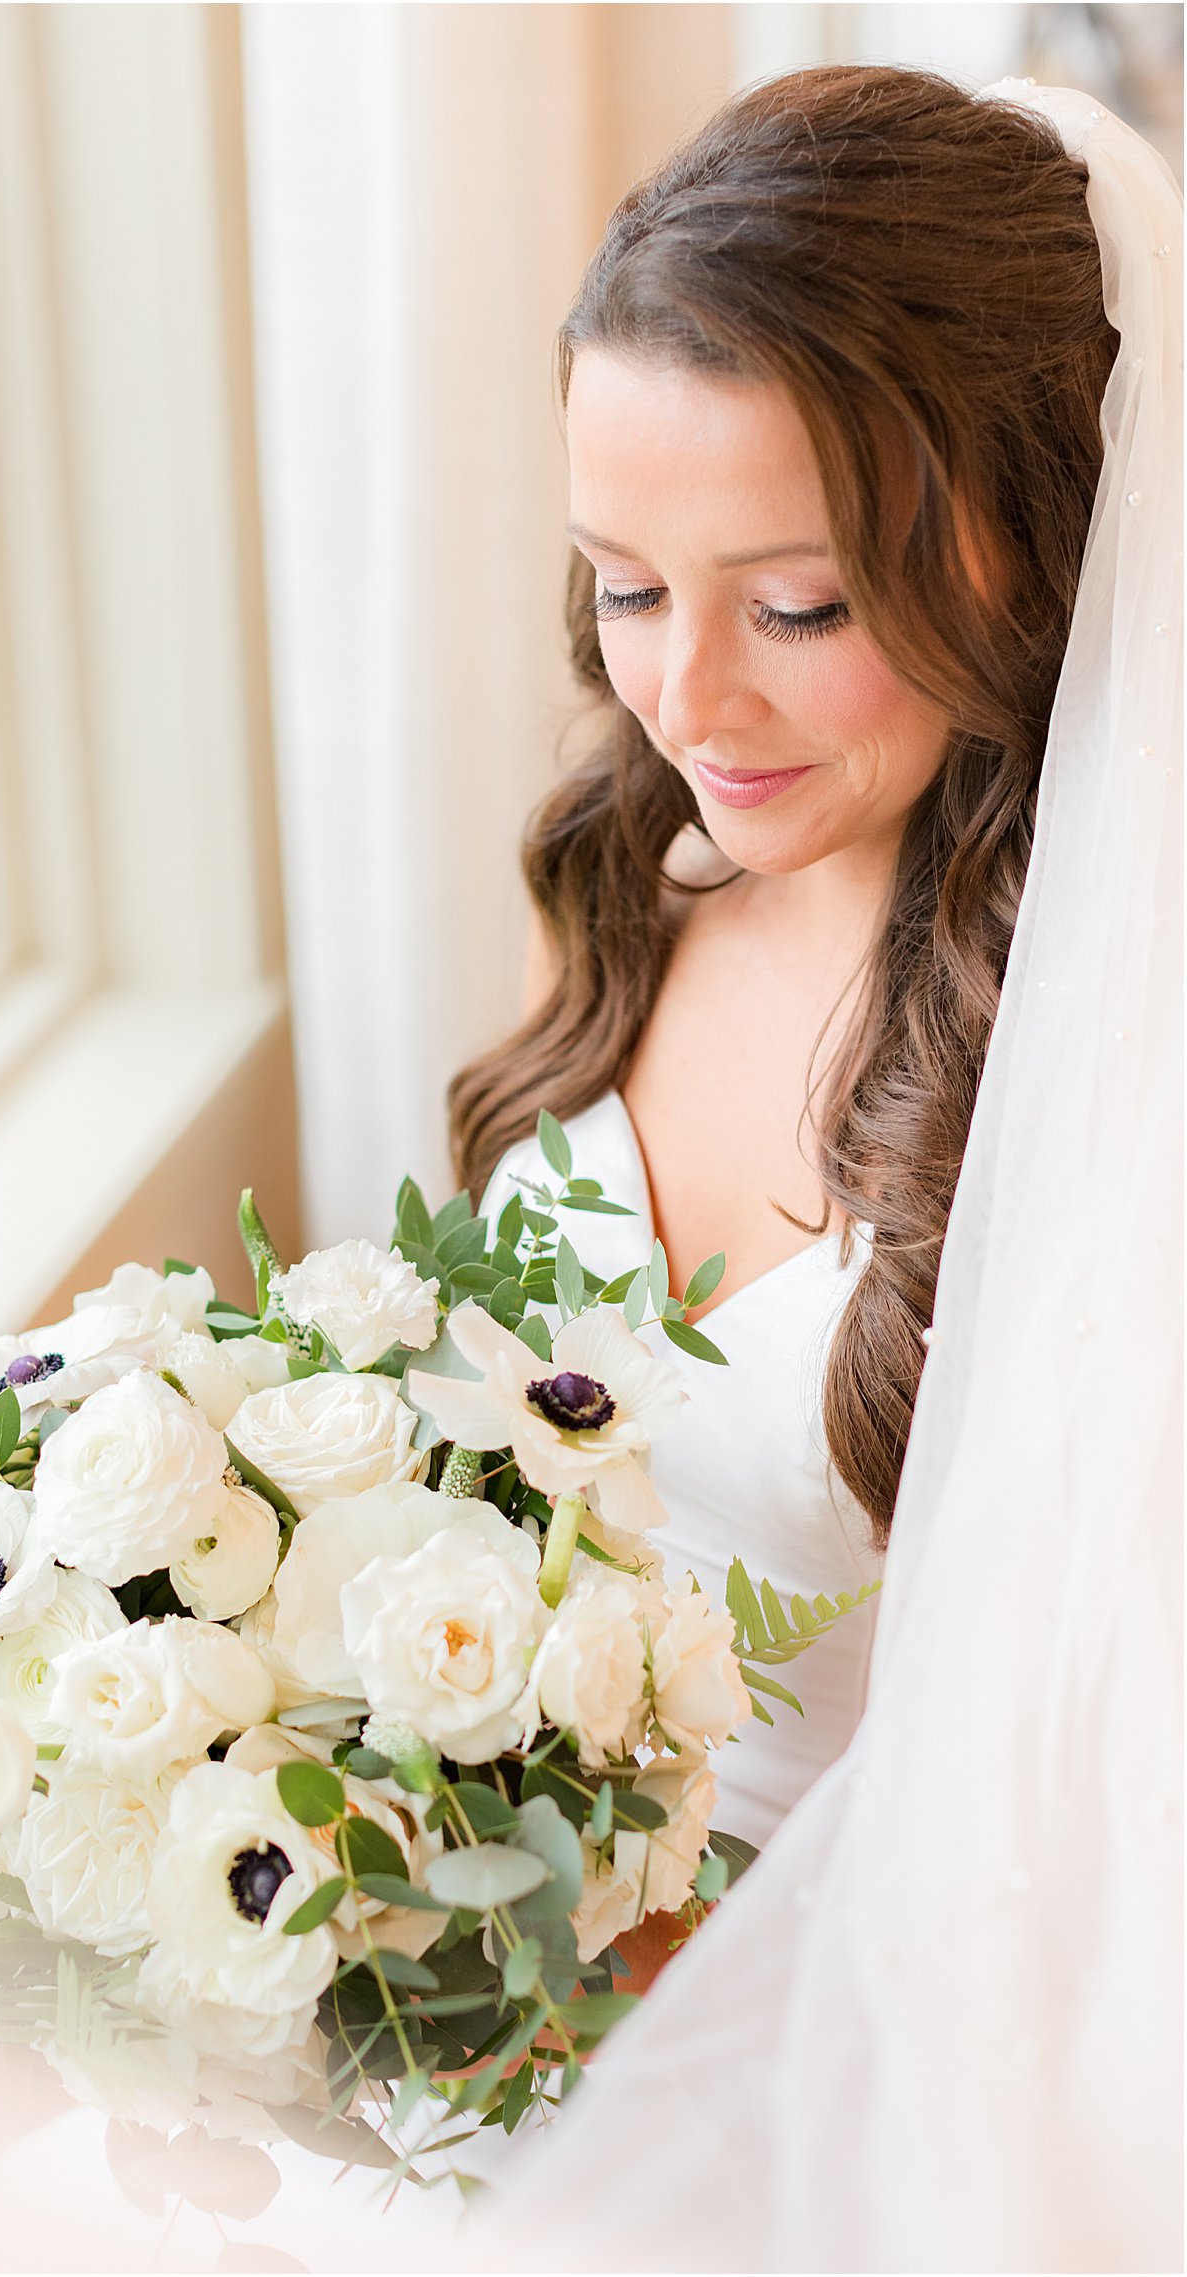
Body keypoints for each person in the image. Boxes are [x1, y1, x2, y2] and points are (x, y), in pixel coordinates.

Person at [458, 66, 1182, 2271]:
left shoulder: (1120, 1059)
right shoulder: (648, 857)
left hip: (863, 2080)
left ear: (1040, 536)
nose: (688, 696)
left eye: (794, 603)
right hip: (481, 1974)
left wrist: (643, 1978)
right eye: (621, 583)